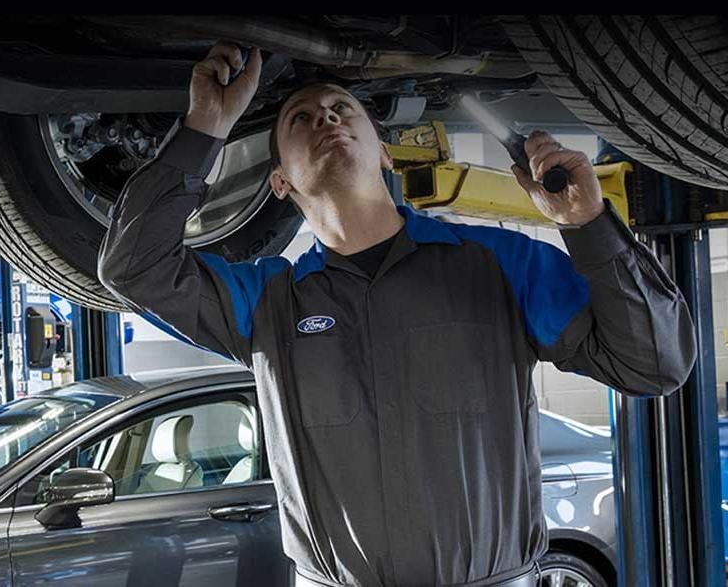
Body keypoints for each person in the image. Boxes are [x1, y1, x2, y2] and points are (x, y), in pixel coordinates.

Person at [98, 43, 696, 587]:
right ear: (279, 182)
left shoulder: (496, 265)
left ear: (385, 152)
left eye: (341, 108)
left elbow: (654, 365)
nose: (325, 118)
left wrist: (588, 225)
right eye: (299, 119)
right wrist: (206, 126)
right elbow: (133, 267)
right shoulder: (267, 302)